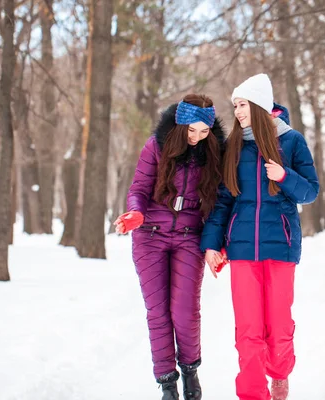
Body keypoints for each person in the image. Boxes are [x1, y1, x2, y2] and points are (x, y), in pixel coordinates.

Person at [200, 74, 319, 400]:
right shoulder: (233, 147)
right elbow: (224, 199)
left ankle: (279, 373)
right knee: (248, 329)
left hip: (280, 246)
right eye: (235, 105)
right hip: (241, 249)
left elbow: (310, 192)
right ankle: (253, 394)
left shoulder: (291, 141)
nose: (237, 111)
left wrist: (284, 176)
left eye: (242, 105)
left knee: (278, 327)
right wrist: (212, 243)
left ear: (259, 105)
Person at [114, 94, 225, 400]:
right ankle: (167, 383)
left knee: (185, 310)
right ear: (180, 124)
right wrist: (135, 213)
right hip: (149, 235)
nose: (197, 138)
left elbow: (218, 202)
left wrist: (217, 243)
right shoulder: (157, 146)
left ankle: (190, 370)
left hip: (190, 235)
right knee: (158, 311)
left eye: (204, 131)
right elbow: (138, 188)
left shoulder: (213, 152)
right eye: (192, 130)